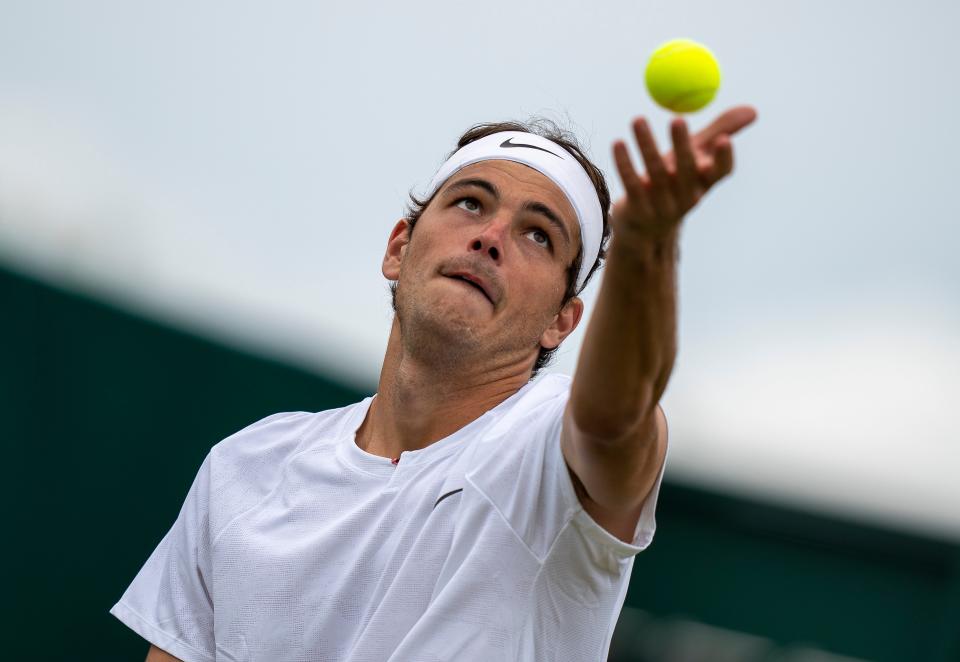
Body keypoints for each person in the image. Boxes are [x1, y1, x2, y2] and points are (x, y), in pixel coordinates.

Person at [110, 106, 758, 661]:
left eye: (539, 234)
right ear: (399, 247)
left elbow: (617, 416)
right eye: (471, 202)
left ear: (563, 321)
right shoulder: (242, 470)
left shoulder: (552, 444)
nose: (492, 238)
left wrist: (647, 246)